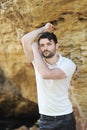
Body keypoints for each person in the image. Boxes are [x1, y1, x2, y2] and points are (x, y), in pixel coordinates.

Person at [21, 23, 76, 130]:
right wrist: (44, 28)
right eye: (42, 45)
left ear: (56, 46)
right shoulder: (38, 61)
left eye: (48, 44)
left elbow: (46, 74)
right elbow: (25, 40)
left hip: (65, 118)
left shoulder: (68, 64)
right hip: (45, 120)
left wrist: (35, 49)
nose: (45, 48)